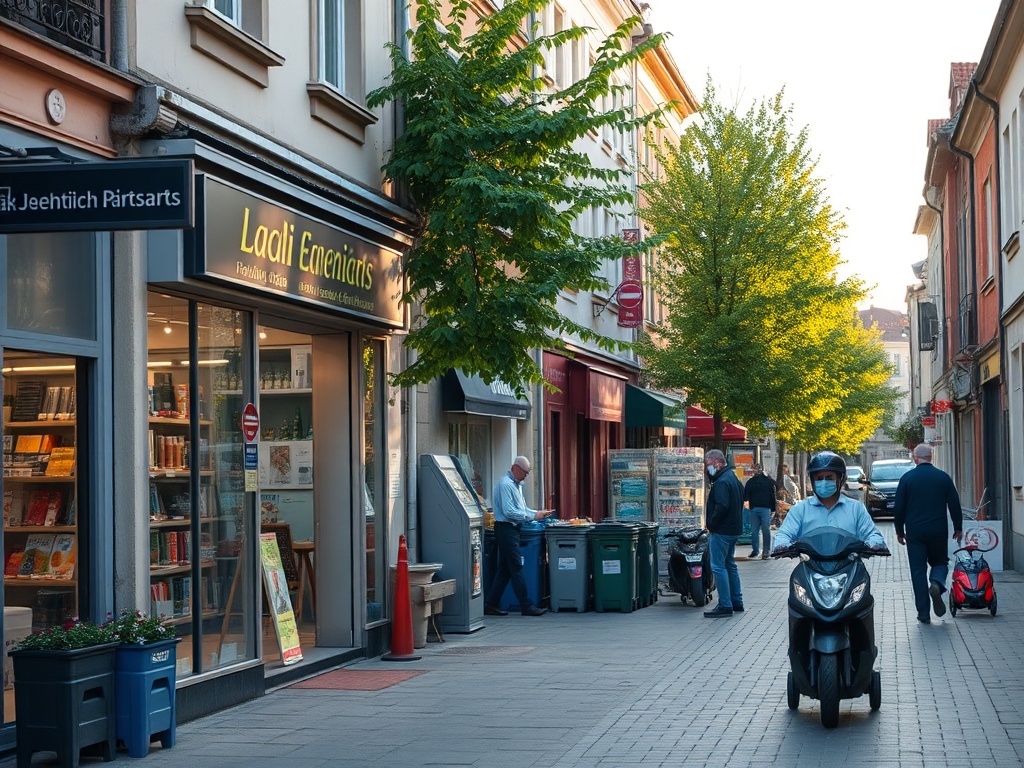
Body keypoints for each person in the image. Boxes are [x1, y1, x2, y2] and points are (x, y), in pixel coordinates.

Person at [893, 443, 964, 624]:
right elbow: (954, 504)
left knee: (918, 571)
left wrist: (899, 531)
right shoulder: (942, 478)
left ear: (916, 458)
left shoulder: (907, 478)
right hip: (938, 531)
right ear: (931, 457)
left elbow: (899, 507)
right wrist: (958, 527)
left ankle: (923, 613)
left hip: (915, 533)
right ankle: (937, 584)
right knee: (940, 562)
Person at [772, 451, 886, 552]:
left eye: (829, 478)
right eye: (820, 479)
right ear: (813, 480)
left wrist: (874, 543)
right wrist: (782, 544)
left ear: (840, 479)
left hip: (849, 567)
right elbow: (784, 534)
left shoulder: (856, 508)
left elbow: (872, 534)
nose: (824, 482)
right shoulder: (800, 509)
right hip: (810, 568)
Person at [484, 456, 553, 617]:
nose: (526, 476)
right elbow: (509, 512)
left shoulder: (517, 485)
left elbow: (521, 509)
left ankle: (491, 603)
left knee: (505, 569)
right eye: (525, 473)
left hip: (513, 529)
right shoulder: (505, 484)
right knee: (516, 567)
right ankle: (526, 605)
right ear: (515, 468)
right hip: (505, 529)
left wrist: (536, 513)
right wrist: (531, 517)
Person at [703, 449, 745, 618]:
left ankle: (725, 604)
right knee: (730, 565)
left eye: (708, 465)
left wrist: (712, 524)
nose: (707, 469)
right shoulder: (732, 478)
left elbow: (722, 505)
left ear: (717, 463)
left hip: (722, 530)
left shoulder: (721, 482)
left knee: (718, 566)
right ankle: (737, 601)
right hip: (733, 529)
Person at [742, 464, 776, 559]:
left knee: (754, 531)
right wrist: (773, 509)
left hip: (754, 508)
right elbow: (773, 492)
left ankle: (755, 550)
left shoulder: (751, 482)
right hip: (765, 508)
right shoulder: (768, 481)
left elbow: (745, 496)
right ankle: (766, 551)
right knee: (765, 529)